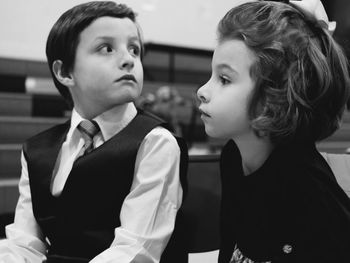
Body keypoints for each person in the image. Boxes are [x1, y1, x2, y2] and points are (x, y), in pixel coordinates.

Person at [0, 1, 188, 262]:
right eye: (107, 48)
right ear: (65, 72)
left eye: (134, 49)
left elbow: (136, 250)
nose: (128, 60)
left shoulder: (155, 142)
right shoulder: (37, 150)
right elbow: (24, 243)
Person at [197, 0, 350, 262]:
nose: (202, 90)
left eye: (224, 79)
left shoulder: (310, 194)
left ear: (274, 97)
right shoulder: (234, 155)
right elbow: (231, 241)